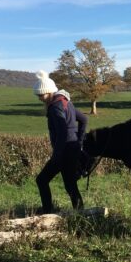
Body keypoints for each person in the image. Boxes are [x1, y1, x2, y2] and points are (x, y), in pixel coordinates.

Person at [33, 70, 88, 214]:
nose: (39, 98)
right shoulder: (65, 102)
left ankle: (47, 211)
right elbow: (84, 120)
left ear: (49, 92)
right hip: (72, 148)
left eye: (41, 95)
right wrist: (79, 141)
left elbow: (62, 132)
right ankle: (80, 213)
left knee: (42, 180)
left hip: (63, 152)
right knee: (70, 185)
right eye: (38, 95)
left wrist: (56, 155)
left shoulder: (55, 108)